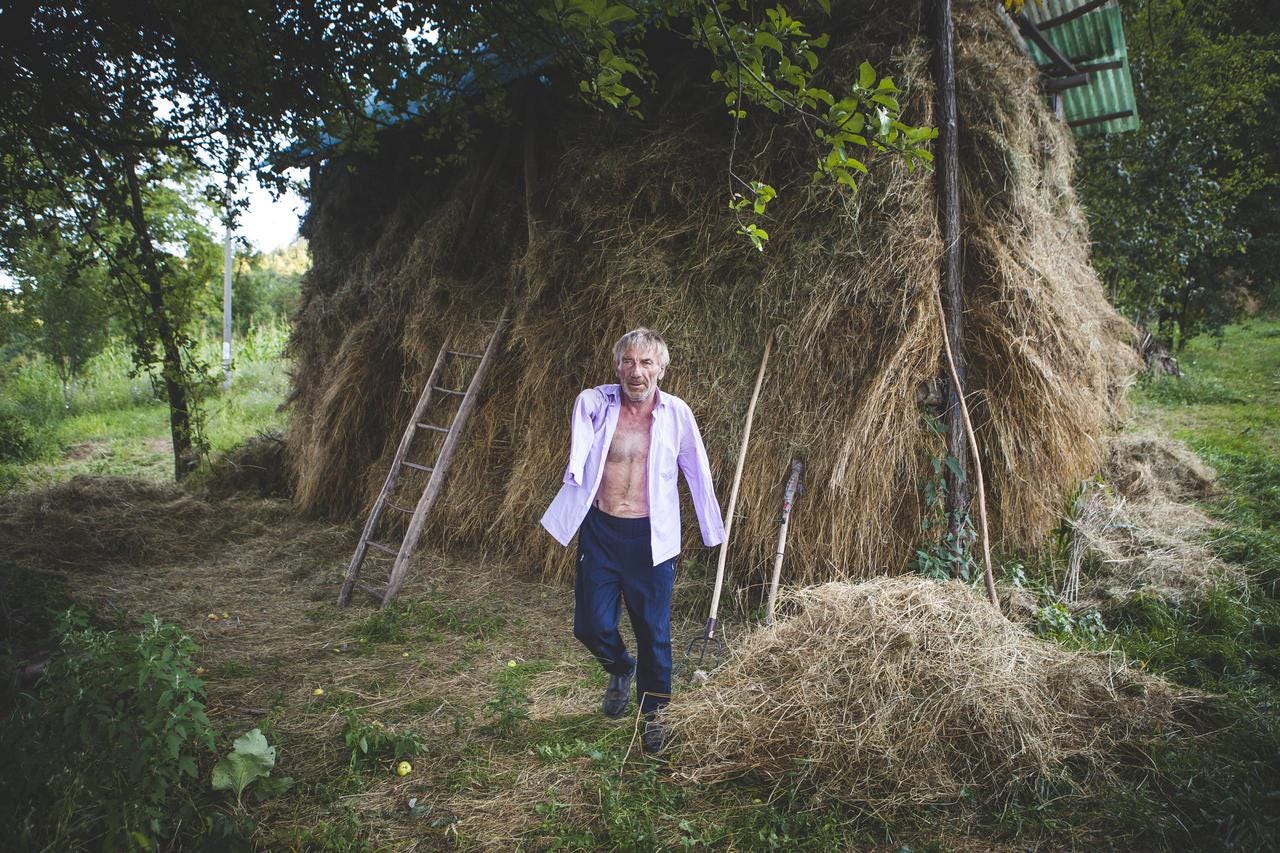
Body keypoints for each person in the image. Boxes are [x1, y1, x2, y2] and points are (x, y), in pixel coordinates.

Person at [540, 328, 725, 753]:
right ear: (616, 366)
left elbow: (698, 471)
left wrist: (712, 530)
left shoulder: (677, 414)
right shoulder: (597, 405)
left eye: (646, 363)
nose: (636, 371)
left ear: (662, 369)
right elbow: (582, 419)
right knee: (591, 625)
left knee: (653, 632)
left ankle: (655, 713)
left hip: (650, 538)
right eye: (628, 361)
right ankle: (621, 668)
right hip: (601, 531)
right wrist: (586, 402)